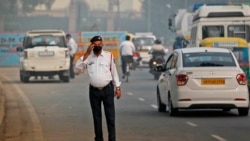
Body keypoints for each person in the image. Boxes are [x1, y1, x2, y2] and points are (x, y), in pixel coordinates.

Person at [75, 36, 121, 141]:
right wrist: (86, 53)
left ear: (102, 45)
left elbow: (114, 72)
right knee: (97, 117)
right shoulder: (88, 58)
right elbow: (78, 67)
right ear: (91, 45)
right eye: (95, 44)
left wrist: (117, 87)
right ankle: (99, 138)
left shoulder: (109, 56)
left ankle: (112, 139)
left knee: (110, 117)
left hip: (107, 90)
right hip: (94, 91)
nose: (98, 46)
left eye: (99, 44)